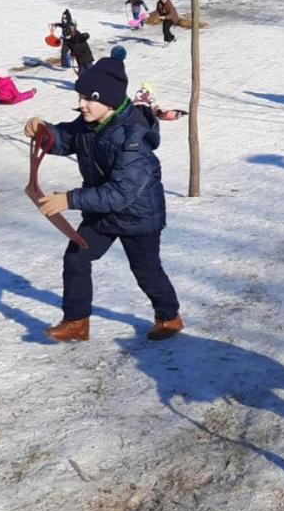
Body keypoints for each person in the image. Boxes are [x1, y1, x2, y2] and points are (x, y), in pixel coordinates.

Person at [23, 55, 183, 344]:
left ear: (109, 101)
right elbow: (66, 138)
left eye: (89, 99)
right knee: (76, 258)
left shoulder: (132, 139)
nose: (82, 104)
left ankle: (169, 316)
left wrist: (69, 200)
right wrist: (44, 131)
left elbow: (120, 193)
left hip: (138, 217)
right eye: (80, 97)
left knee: (146, 271)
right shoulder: (91, 122)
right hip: (102, 213)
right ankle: (76, 322)